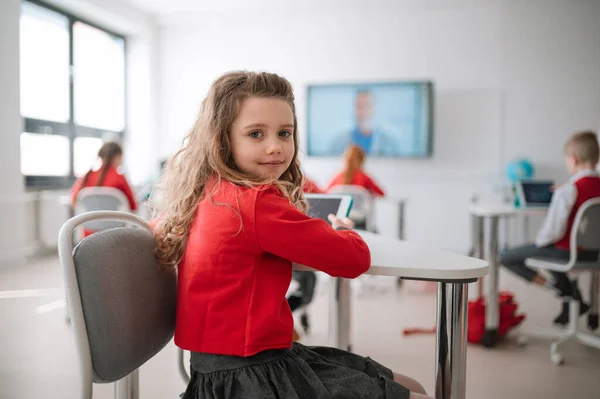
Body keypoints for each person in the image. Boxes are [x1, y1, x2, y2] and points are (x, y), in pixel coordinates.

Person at [152, 71, 431, 399]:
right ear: (222, 138)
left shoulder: (206, 193)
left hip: (214, 374)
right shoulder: (256, 202)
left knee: (409, 386)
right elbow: (353, 259)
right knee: (416, 391)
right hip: (252, 376)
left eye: (285, 133)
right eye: (256, 134)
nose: (275, 147)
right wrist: (344, 231)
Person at [500, 131, 600, 325]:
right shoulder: (572, 188)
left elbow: (553, 232)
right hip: (595, 255)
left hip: (568, 254)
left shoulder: (569, 190)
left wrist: (538, 244)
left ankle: (562, 291)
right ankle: (572, 296)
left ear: (574, 160)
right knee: (550, 253)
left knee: (506, 257)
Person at [71, 141, 137, 235]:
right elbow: (133, 206)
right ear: (117, 156)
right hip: (114, 234)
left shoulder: (86, 177)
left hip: (88, 237)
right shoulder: (119, 178)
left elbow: (74, 202)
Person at [329, 90, 397, 156]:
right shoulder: (338, 143)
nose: (363, 111)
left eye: (367, 105)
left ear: (374, 109)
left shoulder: (389, 143)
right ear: (354, 109)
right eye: (359, 106)